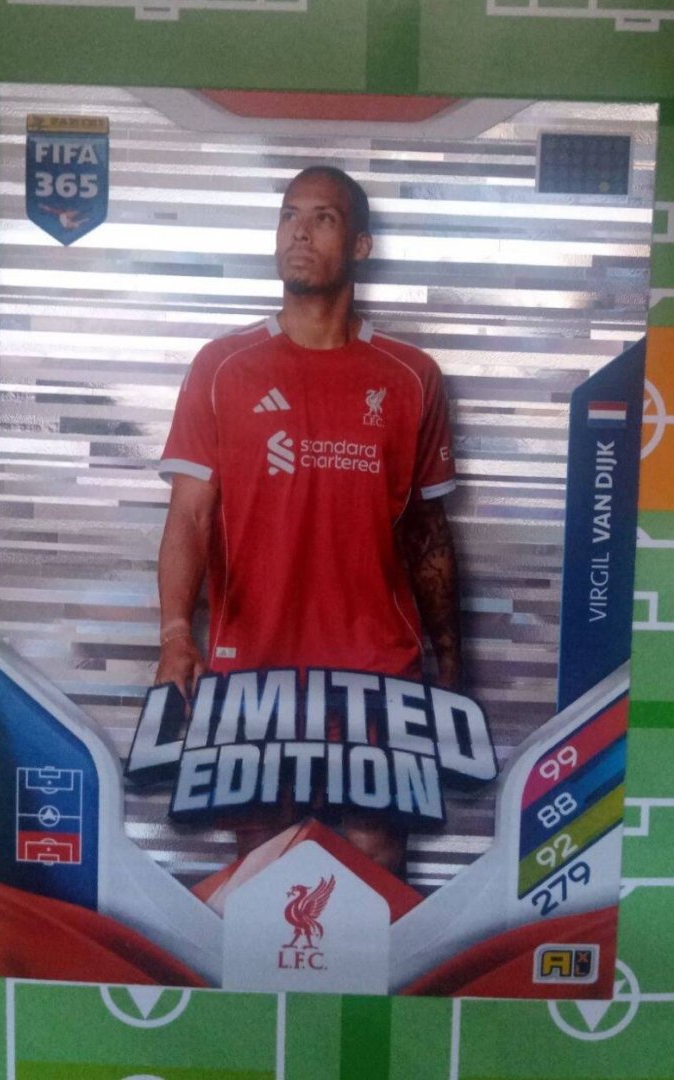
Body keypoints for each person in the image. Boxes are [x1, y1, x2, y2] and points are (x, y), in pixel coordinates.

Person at [153, 165, 463, 875]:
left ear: (360, 245)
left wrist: (450, 657)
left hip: (377, 663)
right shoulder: (223, 366)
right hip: (255, 664)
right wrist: (173, 635)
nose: (299, 231)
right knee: (264, 857)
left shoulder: (411, 375)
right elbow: (189, 517)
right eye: (290, 214)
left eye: (323, 218)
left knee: (377, 852)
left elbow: (427, 530)